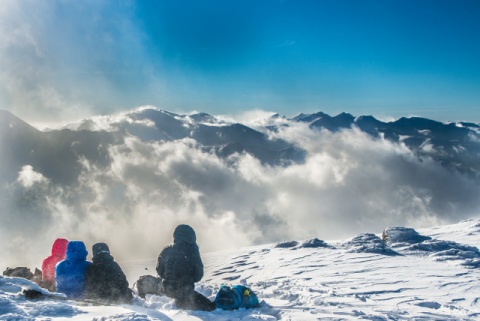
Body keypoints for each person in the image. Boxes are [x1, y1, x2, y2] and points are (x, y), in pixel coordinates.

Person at [156, 224, 216, 311]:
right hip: (185, 292)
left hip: (167, 290)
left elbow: (159, 270)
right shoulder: (192, 250)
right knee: (212, 308)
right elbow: (198, 276)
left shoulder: (166, 249)